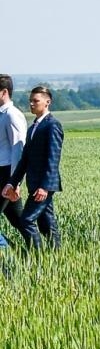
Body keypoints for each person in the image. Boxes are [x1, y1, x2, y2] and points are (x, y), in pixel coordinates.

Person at [2, 85, 64, 250]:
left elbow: (53, 159)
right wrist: (12, 182)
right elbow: (24, 160)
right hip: (34, 184)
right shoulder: (33, 127)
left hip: (44, 185)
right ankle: (56, 256)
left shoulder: (52, 125)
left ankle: (37, 256)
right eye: (30, 101)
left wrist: (44, 186)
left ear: (47, 102)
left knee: (27, 220)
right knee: (46, 224)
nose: (31, 104)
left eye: (35, 101)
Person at [0, 74, 26, 246]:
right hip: (3, 173)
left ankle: (8, 258)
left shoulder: (11, 115)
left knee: (20, 220)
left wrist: (15, 182)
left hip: (6, 173)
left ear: (4, 92)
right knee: (19, 220)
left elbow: (18, 149)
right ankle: (37, 253)